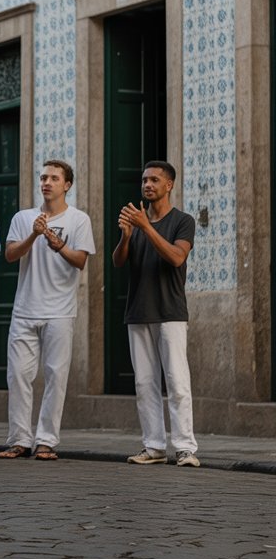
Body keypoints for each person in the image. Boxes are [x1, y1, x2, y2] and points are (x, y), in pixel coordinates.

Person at [0, 160, 95, 462]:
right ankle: (19, 440)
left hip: (60, 311)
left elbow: (80, 260)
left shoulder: (79, 219)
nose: (46, 182)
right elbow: (11, 255)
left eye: (54, 178)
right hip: (25, 309)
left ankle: (46, 441)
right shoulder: (23, 217)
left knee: (55, 375)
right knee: (18, 376)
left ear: (67, 185)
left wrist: (56, 243)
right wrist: (34, 235)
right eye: (43, 177)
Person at [112, 161, 199, 467]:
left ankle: (185, 447)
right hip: (137, 311)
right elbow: (119, 262)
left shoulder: (182, 221)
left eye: (154, 180)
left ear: (169, 185)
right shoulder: (135, 221)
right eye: (144, 180)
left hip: (170, 311)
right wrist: (125, 235)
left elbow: (176, 257)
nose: (147, 185)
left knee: (177, 381)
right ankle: (154, 446)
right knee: (144, 382)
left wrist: (145, 227)